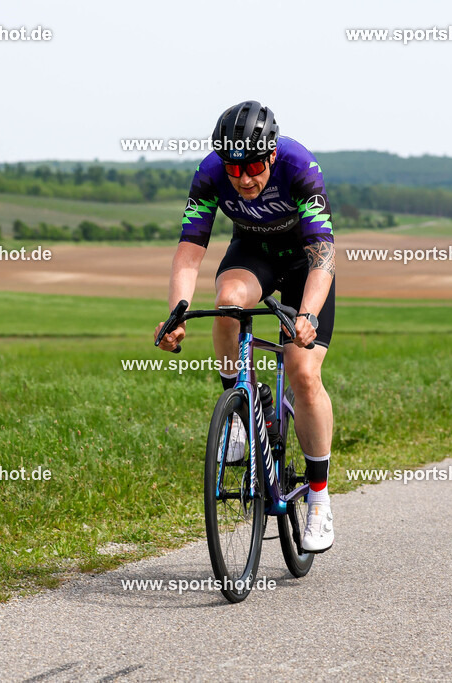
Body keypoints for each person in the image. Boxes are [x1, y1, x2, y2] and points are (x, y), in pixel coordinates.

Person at [154, 101, 336, 552]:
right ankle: (240, 407)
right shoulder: (211, 172)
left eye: (254, 166)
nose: (244, 178)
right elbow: (190, 248)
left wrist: (308, 315)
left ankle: (318, 498)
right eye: (234, 168)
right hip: (252, 254)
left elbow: (323, 253)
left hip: (304, 266)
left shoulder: (299, 166)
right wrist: (176, 311)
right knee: (226, 303)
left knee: (303, 371)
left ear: (271, 155)